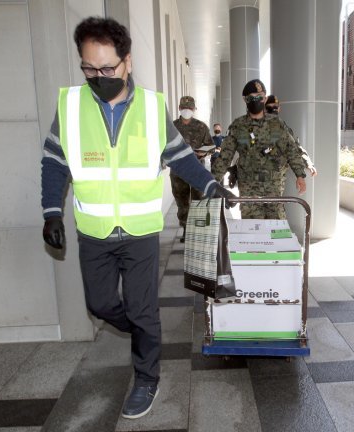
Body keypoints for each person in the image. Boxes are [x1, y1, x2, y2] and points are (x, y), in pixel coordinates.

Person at [40, 16, 234, 420]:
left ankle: (147, 377)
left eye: (107, 68)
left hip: (140, 232)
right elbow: (54, 161)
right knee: (100, 304)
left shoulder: (150, 106)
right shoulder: (71, 105)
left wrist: (212, 186)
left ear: (127, 62)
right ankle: (138, 331)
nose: (98, 76)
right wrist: (52, 212)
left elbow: (180, 155)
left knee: (144, 311)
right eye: (89, 68)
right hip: (94, 231)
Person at [212, 79, 307, 219]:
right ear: (245, 100)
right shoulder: (238, 126)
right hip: (249, 191)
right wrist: (211, 182)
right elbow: (225, 157)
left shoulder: (277, 124)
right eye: (252, 98)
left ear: (265, 98)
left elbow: (291, 150)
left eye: (260, 97)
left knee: (276, 231)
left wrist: (300, 175)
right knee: (253, 233)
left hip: (274, 189)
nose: (256, 100)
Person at [171, 95, 215, 242]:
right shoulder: (172, 127)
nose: (187, 110)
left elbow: (211, 146)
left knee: (198, 200)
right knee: (182, 201)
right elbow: (165, 146)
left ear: (194, 109)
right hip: (178, 171)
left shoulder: (201, 127)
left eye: (189, 108)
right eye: (184, 108)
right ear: (179, 108)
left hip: (196, 169)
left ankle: (197, 229)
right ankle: (186, 229)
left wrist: (203, 152)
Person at [265, 94, 318, 177]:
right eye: (269, 108)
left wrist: (308, 163)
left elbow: (295, 146)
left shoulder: (283, 127)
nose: (273, 111)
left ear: (279, 109)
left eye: (275, 107)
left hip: (276, 179)